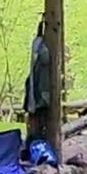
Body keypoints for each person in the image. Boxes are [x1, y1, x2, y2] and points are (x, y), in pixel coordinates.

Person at [23, 20, 53, 150]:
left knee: (37, 120)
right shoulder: (42, 47)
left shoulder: (38, 45)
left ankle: (36, 144)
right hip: (40, 92)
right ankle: (36, 146)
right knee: (39, 120)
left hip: (37, 91)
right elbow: (45, 60)